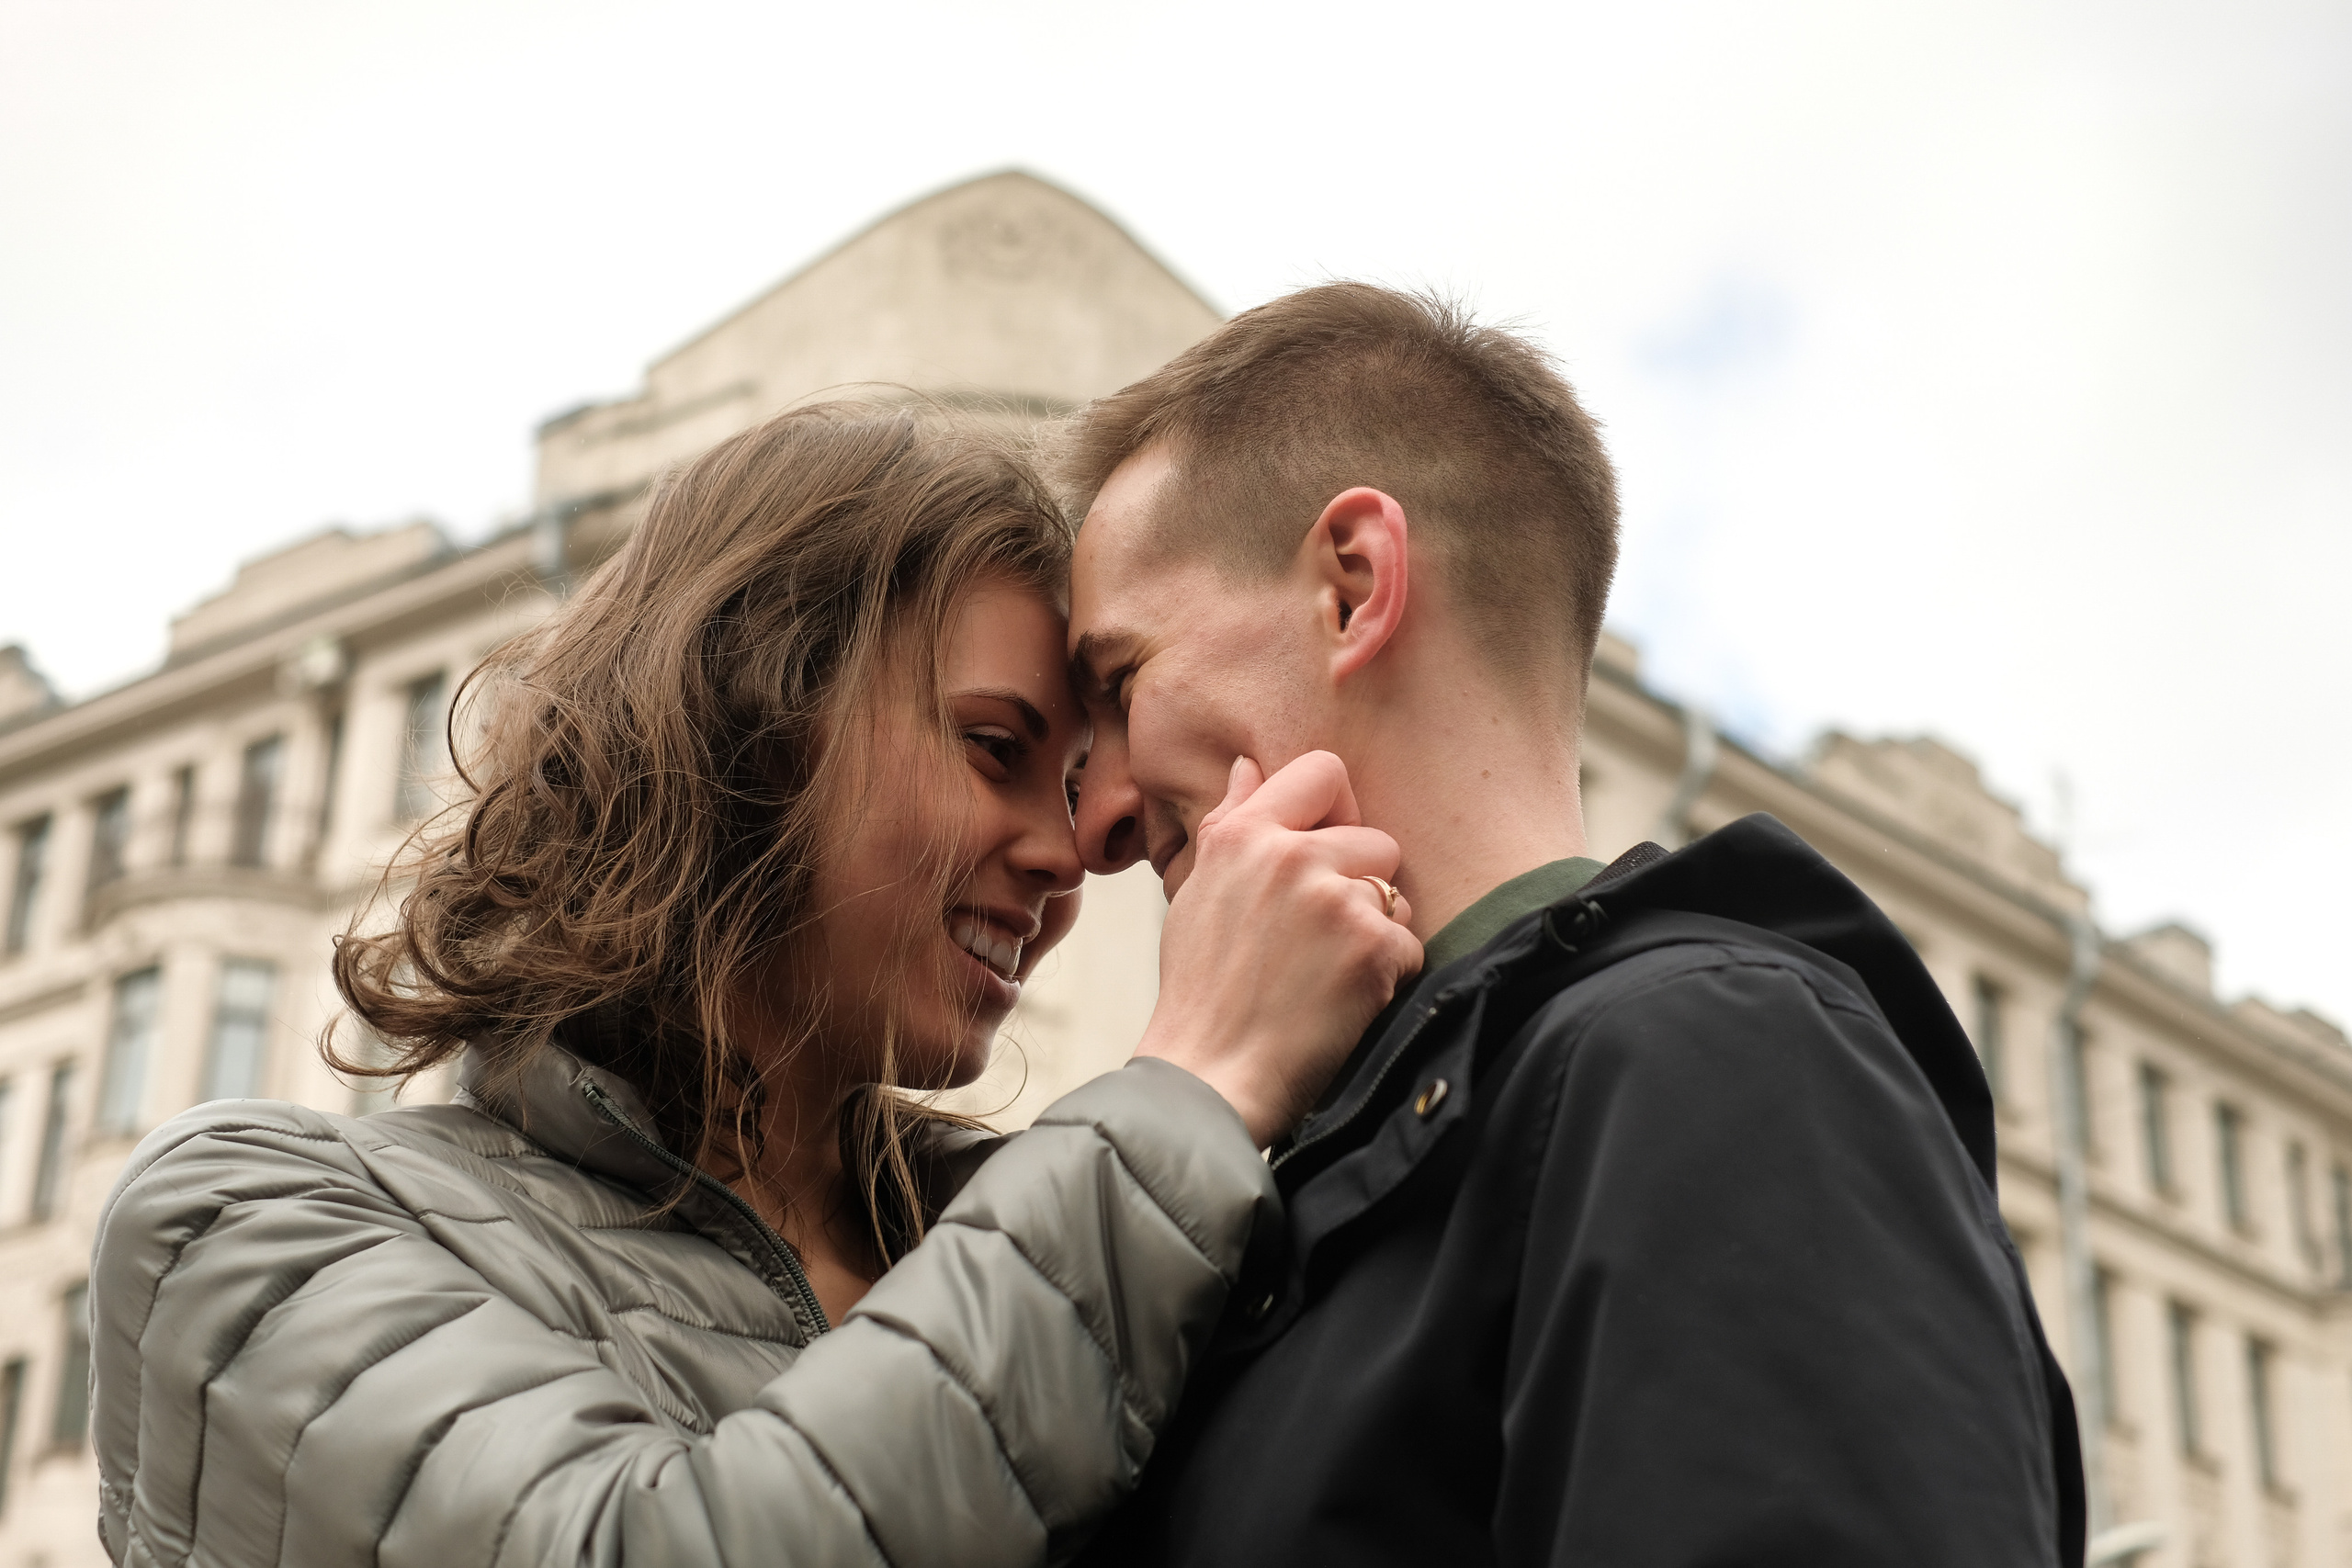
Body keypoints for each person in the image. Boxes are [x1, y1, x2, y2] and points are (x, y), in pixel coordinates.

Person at [88, 403, 1420, 1568]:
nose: (1069, 855)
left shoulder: (1049, 1235)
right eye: (996, 748)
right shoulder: (240, 1224)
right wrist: (1189, 1088)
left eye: (1078, 788)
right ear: (750, 724)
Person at [1055, 284, 2086, 1567]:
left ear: (1354, 586)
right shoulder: (1340, 1165)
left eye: (1118, 680)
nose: (1090, 819)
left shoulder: (1718, 1063)